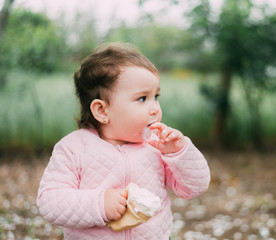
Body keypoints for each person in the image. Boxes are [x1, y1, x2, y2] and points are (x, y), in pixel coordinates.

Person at [36, 43, 211, 240]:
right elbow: (50, 201)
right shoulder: (73, 149)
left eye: (156, 97)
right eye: (143, 99)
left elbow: (195, 187)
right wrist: (99, 204)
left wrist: (179, 152)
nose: (155, 108)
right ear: (102, 111)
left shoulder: (156, 147)